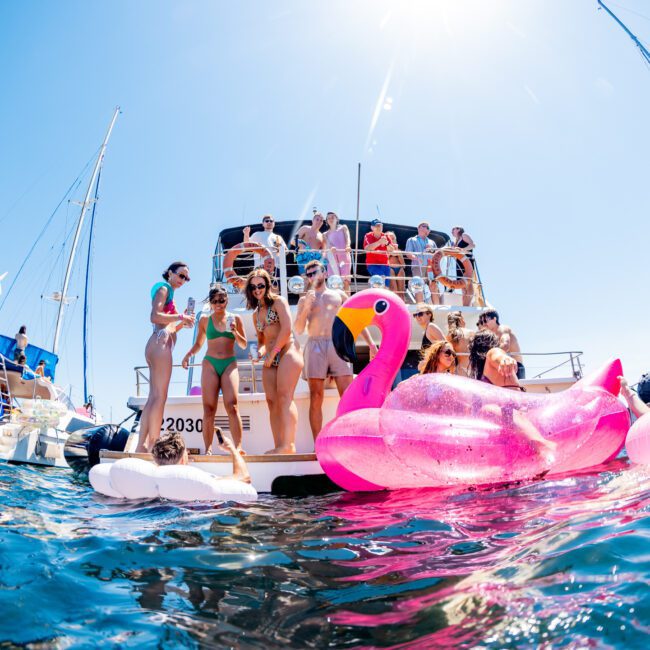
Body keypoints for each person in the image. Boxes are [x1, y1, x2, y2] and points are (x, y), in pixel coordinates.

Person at [294, 260, 377, 439]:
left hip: (337, 344)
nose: (312, 276)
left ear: (324, 273)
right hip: (315, 345)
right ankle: (318, 444)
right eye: (309, 274)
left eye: (315, 272)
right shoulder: (304, 299)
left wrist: (371, 344)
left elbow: (355, 320)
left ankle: (350, 438)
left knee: (347, 396)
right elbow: (299, 329)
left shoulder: (339, 294)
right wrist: (306, 307)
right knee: (316, 397)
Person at [136, 262, 196, 453]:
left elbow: (168, 327)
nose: (183, 280)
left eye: (186, 278)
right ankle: (153, 442)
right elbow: (154, 317)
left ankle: (141, 446)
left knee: (153, 397)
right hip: (160, 346)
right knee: (160, 397)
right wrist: (180, 316)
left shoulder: (168, 292)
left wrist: (182, 322)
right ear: (170, 273)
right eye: (181, 276)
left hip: (157, 343)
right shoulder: (164, 288)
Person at [468, 330, 556, 459]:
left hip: (511, 418)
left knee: (543, 451)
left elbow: (497, 354)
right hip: (510, 423)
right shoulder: (488, 371)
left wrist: (505, 360)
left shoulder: (492, 354)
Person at [182, 286, 247, 454]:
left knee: (232, 406)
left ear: (227, 300)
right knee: (209, 408)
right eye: (215, 301)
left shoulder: (235, 318)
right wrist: (188, 355)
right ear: (210, 303)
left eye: (222, 300)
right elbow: (199, 344)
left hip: (229, 363)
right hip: (210, 363)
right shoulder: (204, 320)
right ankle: (208, 449)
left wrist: (234, 331)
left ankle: (238, 447)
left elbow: (243, 344)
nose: (219, 304)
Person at [244, 269, 303, 453]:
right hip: (271, 357)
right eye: (253, 287)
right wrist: (260, 354)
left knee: (285, 397)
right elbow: (262, 342)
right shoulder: (256, 314)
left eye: (260, 285)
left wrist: (273, 353)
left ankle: (288, 445)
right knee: (271, 401)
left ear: (267, 285)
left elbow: (286, 329)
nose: (257, 289)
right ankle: (279, 445)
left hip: (288, 352)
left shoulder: (279, 301)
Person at [152, 429, 251, 484]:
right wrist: (232, 449)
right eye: (186, 452)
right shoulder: (201, 482)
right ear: (182, 460)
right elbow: (244, 479)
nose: (189, 452)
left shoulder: (152, 484)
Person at [401, 304, 445, 380]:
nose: (417, 317)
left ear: (429, 314)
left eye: (420, 314)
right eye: (415, 315)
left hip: (436, 373)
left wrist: (426, 362)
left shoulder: (431, 327)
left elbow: (447, 348)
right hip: (432, 372)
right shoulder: (428, 329)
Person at [479, 310, 525, 379]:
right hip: (504, 366)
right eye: (482, 322)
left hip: (516, 367)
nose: (484, 324)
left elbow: (505, 346)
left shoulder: (503, 329)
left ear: (494, 319)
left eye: (485, 321)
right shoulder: (492, 335)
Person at [405, 221, 440, 304]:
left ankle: (437, 306)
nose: (428, 229)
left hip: (430, 267)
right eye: (426, 227)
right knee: (418, 286)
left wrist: (432, 250)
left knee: (433, 285)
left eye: (428, 228)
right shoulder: (411, 240)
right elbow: (408, 253)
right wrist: (416, 258)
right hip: (418, 266)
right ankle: (420, 306)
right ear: (419, 228)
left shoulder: (432, 242)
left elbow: (437, 255)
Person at [324, 212, 352, 293]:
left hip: (344, 255)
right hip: (332, 258)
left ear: (337, 219)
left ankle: (347, 303)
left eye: (332, 217)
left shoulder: (343, 227)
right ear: (327, 221)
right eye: (328, 218)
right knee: (335, 282)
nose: (331, 219)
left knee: (346, 281)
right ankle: (337, 303)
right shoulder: (325, 234)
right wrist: (331, 247)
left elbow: (347, 238)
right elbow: (328, 244)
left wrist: (348, 246)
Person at [363, 219, 391, 286]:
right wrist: (379, 242)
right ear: (372, 227)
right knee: (381, 278)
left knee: (386, 286)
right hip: (372, 264)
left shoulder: (386, 236)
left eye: (380, 226)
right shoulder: (368, 236)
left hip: (385, 265)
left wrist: (386, 243)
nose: (379, 227)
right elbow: (367, 249)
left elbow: (392, 250)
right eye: (377, 226)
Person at [446, 311, 474, 377]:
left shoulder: (449, 336)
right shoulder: (471, 332)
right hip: (470, 367)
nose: (465, 322)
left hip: (457, 369)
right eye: (463, 319)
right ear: (460, 320)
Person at [386, 231, 406, 298]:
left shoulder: (399, 250)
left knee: (401, 292)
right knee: (394, 291)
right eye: (390, 238)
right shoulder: (384, 250)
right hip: (390, 269)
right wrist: (390, 253)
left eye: (393, 238)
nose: (392, 240)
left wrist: (399, 254)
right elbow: (385, 262)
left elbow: (404, 265)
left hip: (400, 269)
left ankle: (402, 306)